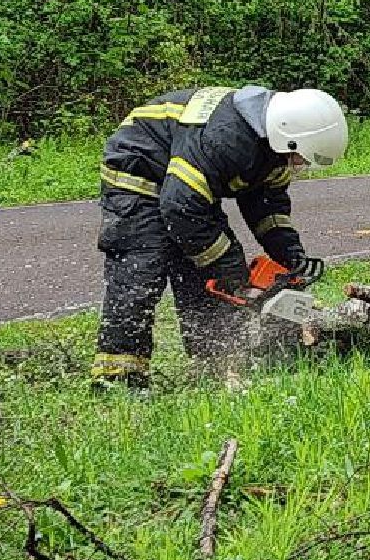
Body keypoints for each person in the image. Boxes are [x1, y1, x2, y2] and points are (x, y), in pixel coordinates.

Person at [90, 85, 348, 388]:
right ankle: (117, 378)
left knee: (202, 273)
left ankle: (211, 362)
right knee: (142, 269)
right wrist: (230, 269)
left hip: (184, 190)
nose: (299, 165)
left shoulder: (274, 149)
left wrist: (290, 256)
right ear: (286, 137)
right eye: (299, 157)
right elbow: (180, 206)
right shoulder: (227, 138)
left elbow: (268, 208)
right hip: (140, 173)